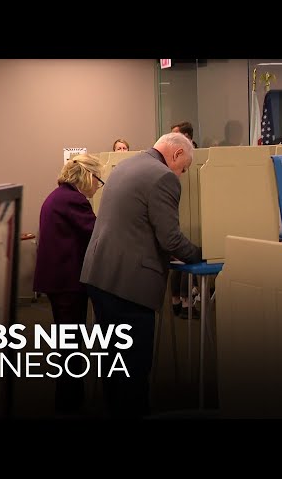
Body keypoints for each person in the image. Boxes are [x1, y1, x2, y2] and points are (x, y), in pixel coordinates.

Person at [80, 132, 202, 418]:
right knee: (134, 366)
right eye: (183, 168)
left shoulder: (126, 166)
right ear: (176, 155)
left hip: (101, 274)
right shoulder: (163, 177)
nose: (181, 175)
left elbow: (135, 223)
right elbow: (170, 239)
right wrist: (202, 253)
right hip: (129, 283)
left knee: (113, 361)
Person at [32, 154, 104, 415]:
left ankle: (70, 397)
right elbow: (96, 233)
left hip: (57, 279)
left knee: (67, 341)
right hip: (67, 282)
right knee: (71, 342)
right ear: (88, 176)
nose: (98, 186)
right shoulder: (73, 200)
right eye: (98, 180)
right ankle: (69, 402)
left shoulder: (59, 196)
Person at [169, 121, 199, 317]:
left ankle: (185, 301)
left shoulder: (193, 157)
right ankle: (179, 300)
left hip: (194, 216)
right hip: (180, 219)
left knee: (183, 258)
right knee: (179, 260)